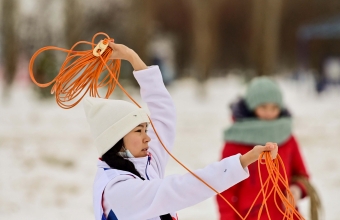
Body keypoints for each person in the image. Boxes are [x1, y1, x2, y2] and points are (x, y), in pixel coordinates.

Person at [83, 43, 278, 220]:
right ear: (117, 139)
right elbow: (179, 189)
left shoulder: (145, 163)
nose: (147, 137)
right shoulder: (117, 190)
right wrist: (242, 161)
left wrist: (133, 58)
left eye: (146, 129)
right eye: (138, 131)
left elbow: (164, 114)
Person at [216, 77, 310, 220]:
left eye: (274, 107)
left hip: (287, 215)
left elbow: (302, 175)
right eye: (263, 107)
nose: (269, 113)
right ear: (252, 107)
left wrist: (297, 190)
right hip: (250, 216)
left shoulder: (288, 138)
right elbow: (225, 189)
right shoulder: (235, 141)